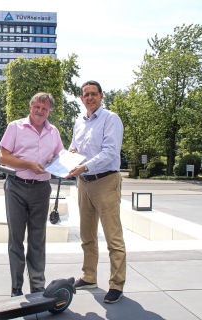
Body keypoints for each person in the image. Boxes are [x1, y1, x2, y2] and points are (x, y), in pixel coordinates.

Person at [66, 80, 126, 304]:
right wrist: (71, 155)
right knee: (87, 235)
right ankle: (89, 276)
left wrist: (85, 166)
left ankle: (116, 283)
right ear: (81, 99)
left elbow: (110, 152)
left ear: (101, 96)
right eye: (85, 94)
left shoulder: (111, 119)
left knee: (113, 237)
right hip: (84, 182)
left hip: (105, 181)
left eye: (93, 94)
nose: (89, 98)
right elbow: (75, 147)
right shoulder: (79, 122)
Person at [0, 92, 64, 297]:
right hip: (16, 187)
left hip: (41, 189)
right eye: (37, 106)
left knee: (37, 239)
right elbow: (3, 157)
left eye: (45, 108)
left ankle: (37, 286)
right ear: (30, 107)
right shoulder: (15, 127)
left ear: (49, 111)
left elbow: (60, 156)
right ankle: (16, 288)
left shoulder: (53, 132)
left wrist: (67, 161)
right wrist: (28, 165)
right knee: (16, 239)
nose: (40, 111)